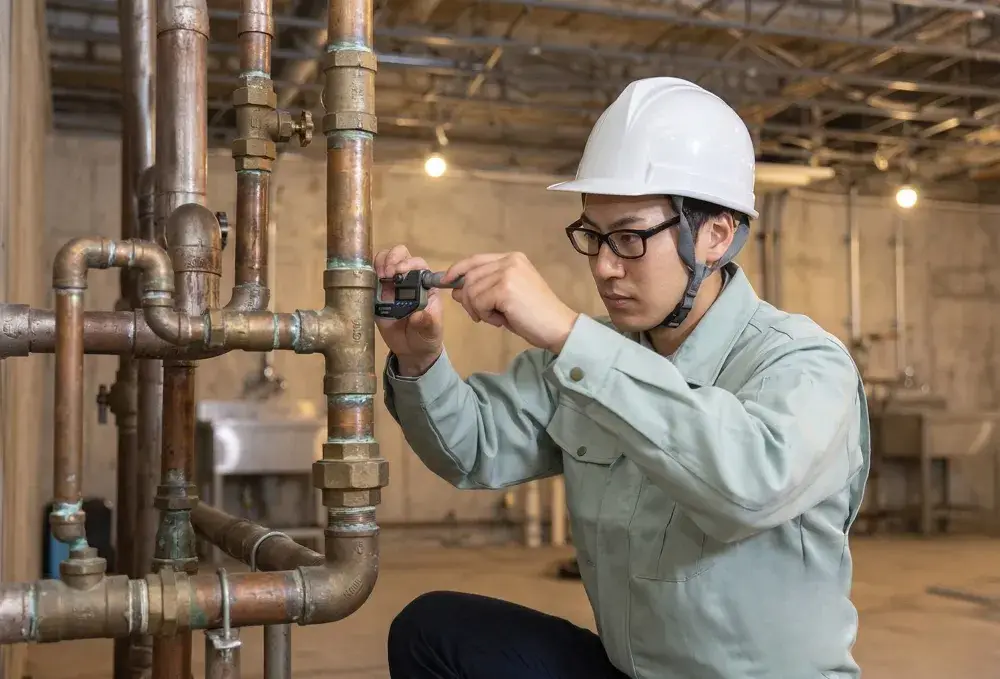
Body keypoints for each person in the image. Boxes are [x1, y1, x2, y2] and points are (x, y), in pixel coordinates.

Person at [376, 77, 870, 679]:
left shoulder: (804, 362)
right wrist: (420, 359)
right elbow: (475, 449)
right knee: (434, 630)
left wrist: (565, 331)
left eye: (631, 237)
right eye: (595, 236)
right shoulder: (596, 354)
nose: (606, 267)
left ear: (715, 234)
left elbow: (748, 485)